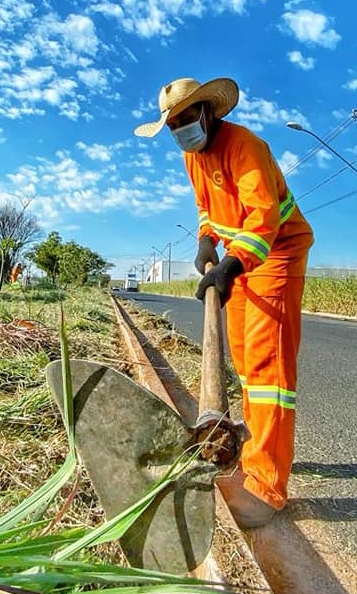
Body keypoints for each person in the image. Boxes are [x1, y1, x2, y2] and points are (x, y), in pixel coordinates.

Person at [134, 77, 314, 528]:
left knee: (268, 368)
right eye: (172, 123)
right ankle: (254, 448)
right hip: (239, 258)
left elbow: (264, 218)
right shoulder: (192, 157)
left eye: (185, 118)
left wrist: (229, 268)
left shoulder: (245, 146)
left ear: (208, 112)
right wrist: (204, 242)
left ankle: (267, 486)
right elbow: (205, 207)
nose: (180, 129)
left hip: (276, 253)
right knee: (245, 361)